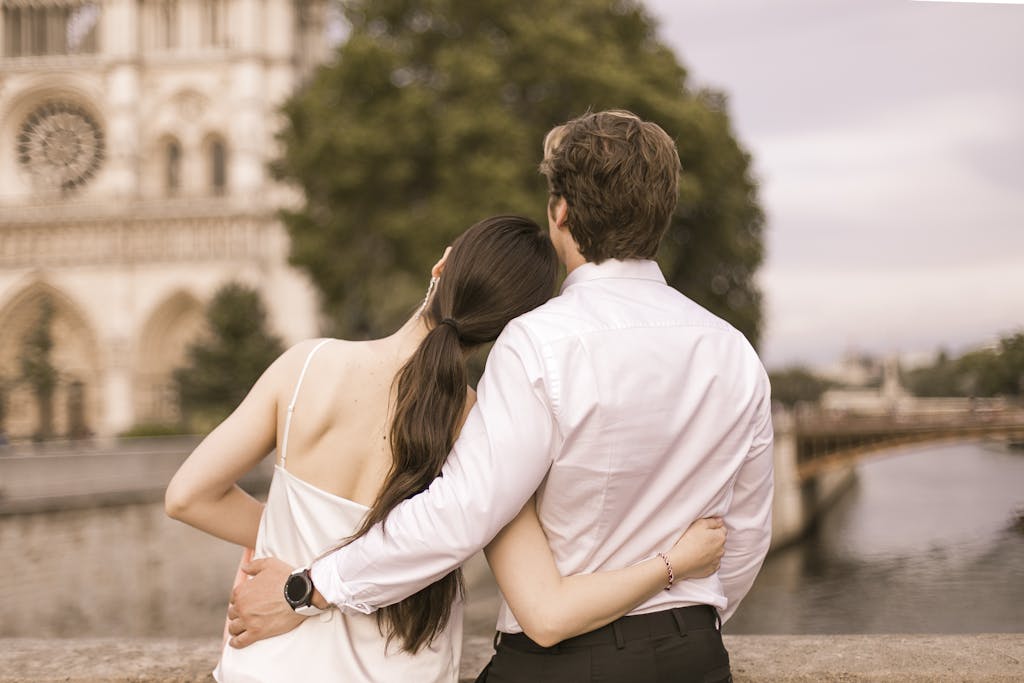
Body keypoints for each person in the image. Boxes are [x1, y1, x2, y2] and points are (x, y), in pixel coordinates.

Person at [230, 110, 774, 683]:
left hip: (567, 664)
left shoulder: (538, 342)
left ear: (559, 212)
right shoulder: (732, 350)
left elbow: (459, 515)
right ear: (662, 215)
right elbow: (744, 540)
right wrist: (682, 619)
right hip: (696, 658)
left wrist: (308, 587)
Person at [165, 214, 729, 682]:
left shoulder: (307, 366)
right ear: (512, 328)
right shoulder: (482, 426)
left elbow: (188, 496)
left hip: (266, 667)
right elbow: (547, 610)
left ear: (441, 267)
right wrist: (675, 563)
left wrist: (293, 547)